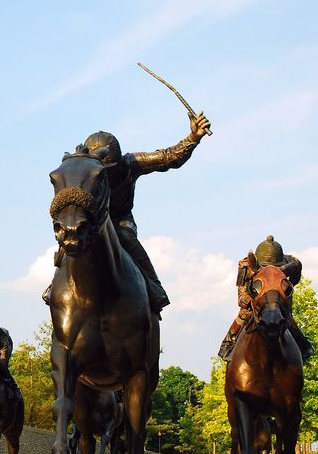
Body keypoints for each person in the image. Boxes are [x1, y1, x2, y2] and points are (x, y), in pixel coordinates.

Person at [44, 113, 212, 312]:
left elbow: (169, 157)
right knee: (72, 232)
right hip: (94, 218)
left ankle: (153, 285)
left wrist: (193, 137)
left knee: (126, 237)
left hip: (121, 220)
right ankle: (55, 284)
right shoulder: (84, 170)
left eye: (109, 169)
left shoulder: (131, 164)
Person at [218, 235, 314, 362]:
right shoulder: (246, 265)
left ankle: (303, 345)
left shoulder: (291, 262)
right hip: (255, 293)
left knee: (285, 315)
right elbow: (241, 292)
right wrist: (246, 298)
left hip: (277, 293)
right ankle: (227, 344)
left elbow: (295, 278)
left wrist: (287, 289)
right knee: (245, 313)